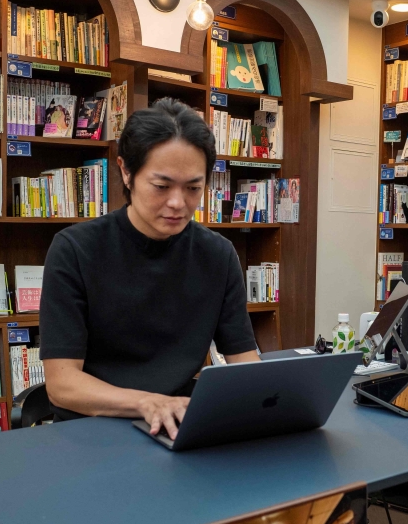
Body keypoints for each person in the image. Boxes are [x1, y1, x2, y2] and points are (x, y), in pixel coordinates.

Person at [40, 98, 259, 438]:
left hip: (179, 427)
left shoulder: (218, 254)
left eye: (193, 188)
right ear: (126, 172)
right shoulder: (75, 249)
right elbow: (62, 385)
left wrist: (274, 400)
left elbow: (245, 364)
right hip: (91, 432)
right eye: (162, 186)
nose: (178, 203)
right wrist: (148, 402)